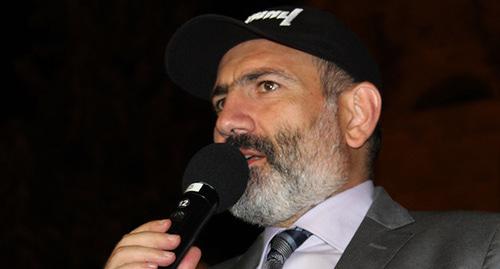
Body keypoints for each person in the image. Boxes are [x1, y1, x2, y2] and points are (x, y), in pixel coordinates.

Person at [104, 5, 499, 269]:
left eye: (267, 86)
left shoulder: (478, 249)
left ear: (356, 114)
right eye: (220, 101)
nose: (227, 121)